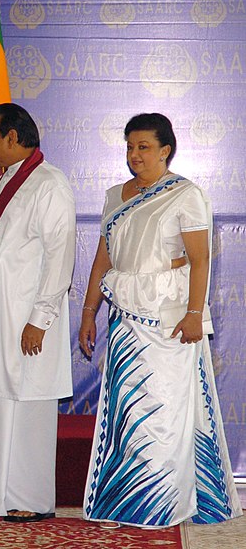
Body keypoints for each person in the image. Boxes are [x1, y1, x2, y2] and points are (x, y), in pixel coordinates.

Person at [79, 113, 242, 528]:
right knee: (126, 412)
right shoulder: (117, 195)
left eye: (143, 147)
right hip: (125, 320)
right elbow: (104, 258)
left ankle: (163, 504)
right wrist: (88, 311)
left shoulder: (186, 194)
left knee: (164, 411)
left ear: (165, 150)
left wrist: (193, 313)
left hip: (169, 319)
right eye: (130, 147)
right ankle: (124, 501)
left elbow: (201, 259)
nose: (134, 155)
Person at [0, 103, 76, 523]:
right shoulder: (1, 181)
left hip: (26, 319)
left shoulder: (49, 183)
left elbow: (60, 257)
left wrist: (40, 319)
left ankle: (26, 497)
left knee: (26, 403)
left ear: (13, 138)